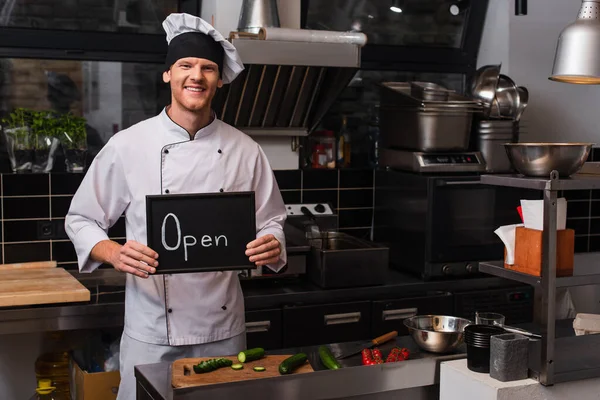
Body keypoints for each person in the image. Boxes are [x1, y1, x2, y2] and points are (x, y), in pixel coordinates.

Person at [65, 13, 287, 400]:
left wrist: (271, 241)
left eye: (207, 68)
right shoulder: (128, 145)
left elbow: (272, 222)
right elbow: (81, 219)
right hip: (151, 331)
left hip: (223, 332)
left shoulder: (245, 150)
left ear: (219, 80)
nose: (196, 76)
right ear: (168, 74)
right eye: (185, 65)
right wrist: (115, 253)